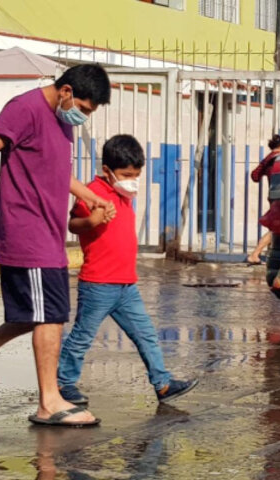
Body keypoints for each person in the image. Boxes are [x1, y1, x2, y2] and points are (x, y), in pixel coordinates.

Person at [0, 63, 114, 427]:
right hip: (27, 230)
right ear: (67, 90)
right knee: (49, 314)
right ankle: (49, 402)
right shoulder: (25, 108)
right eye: (84, 109)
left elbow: (53, 167)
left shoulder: (61, 120)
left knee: (40, 312)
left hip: (48, 234)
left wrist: (90, 195)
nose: (83, 117)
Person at [57, 134, 198, 406]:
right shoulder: (93, 192)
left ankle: (163, 383)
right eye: (126, 174)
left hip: (126, 285)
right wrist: (93, 219)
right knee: (82, 337)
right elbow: (73, 225)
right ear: (107, 171)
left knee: (145, 334)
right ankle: (64, 384)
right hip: (98, 283)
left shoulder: (124, 194)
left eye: (136, 174)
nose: (132, 179)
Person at [246, 133, 280, 265]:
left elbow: (255, 176)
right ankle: (255, 254)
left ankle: (274, 254)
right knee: (277, 227)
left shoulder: (267, 159)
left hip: (273, 196)